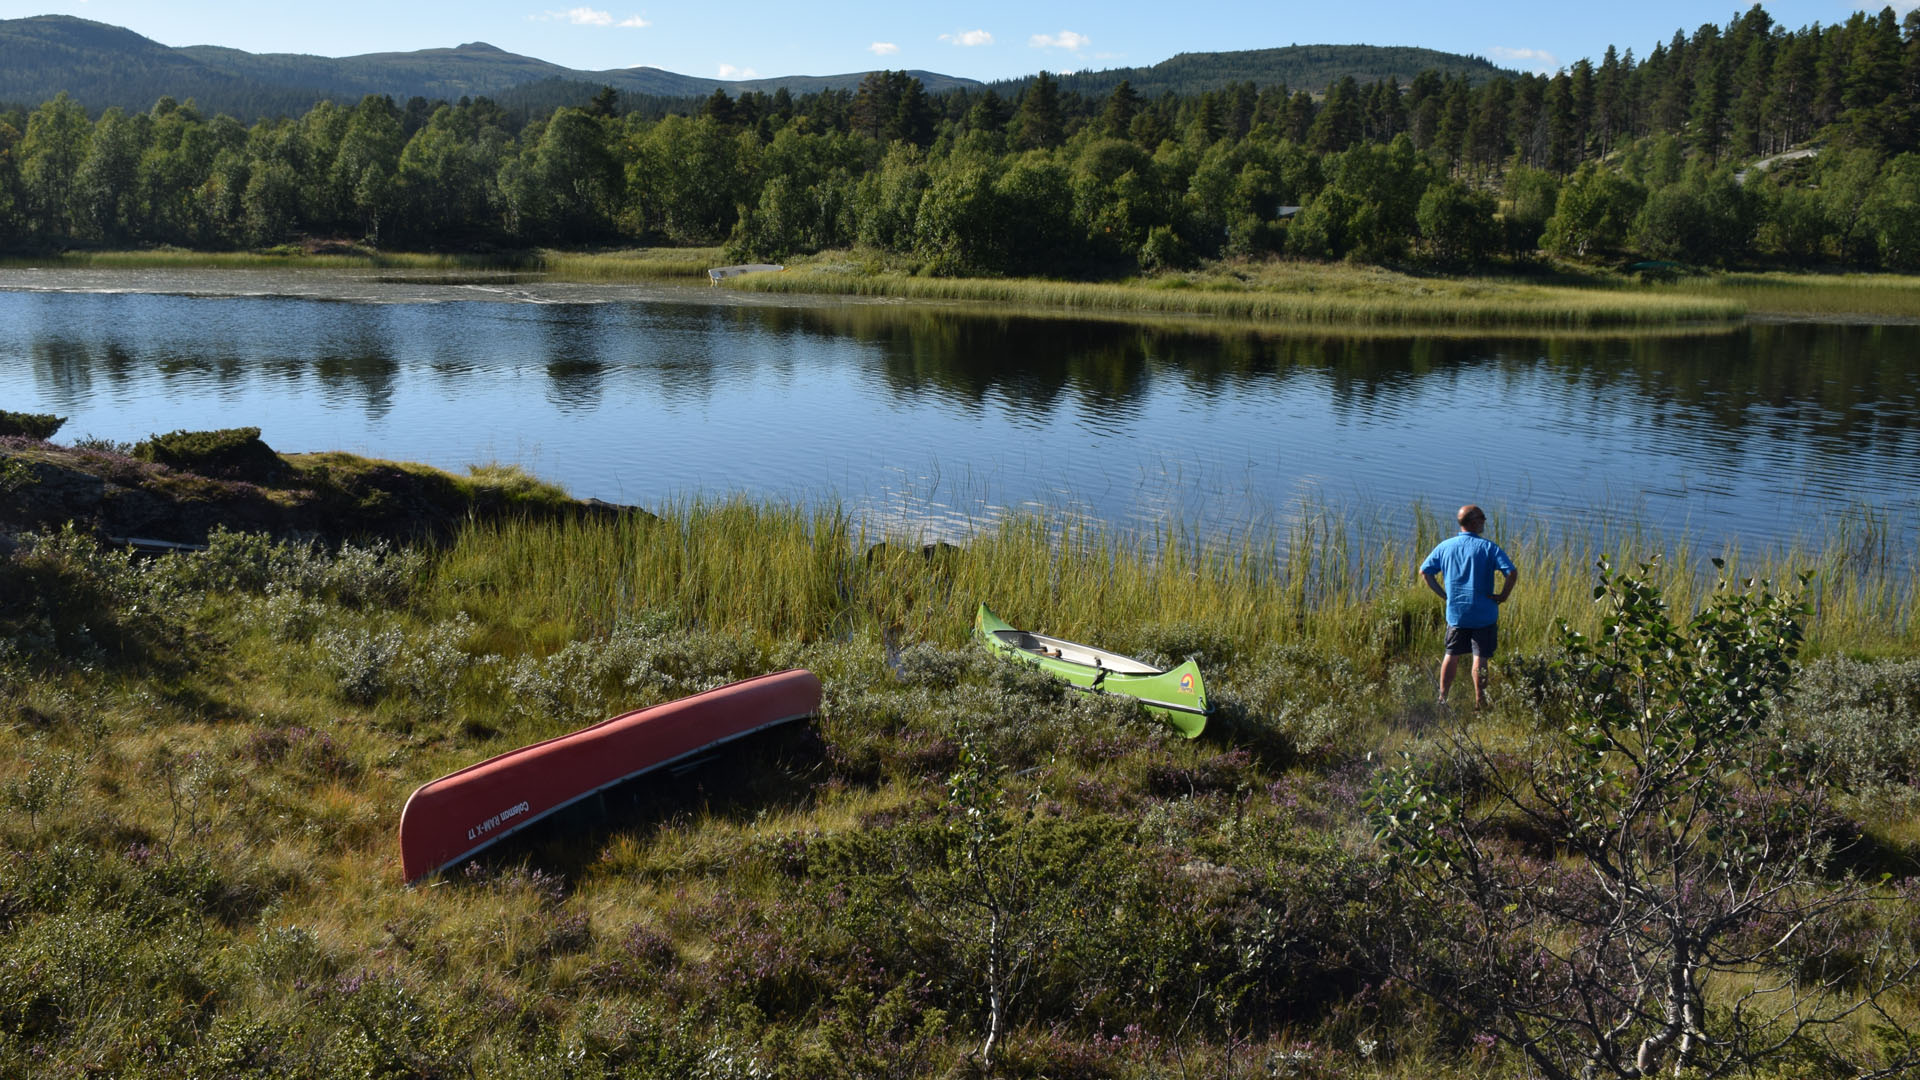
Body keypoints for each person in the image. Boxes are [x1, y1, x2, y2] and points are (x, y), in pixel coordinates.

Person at [1419, 504, 1517, 708]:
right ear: (1473, 522)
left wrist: (1444, 595)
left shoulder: (1445, 546)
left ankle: (1442, 698)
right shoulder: (1488, 548)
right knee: (1479, 658)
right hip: (1484, 614)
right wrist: (1503, 596)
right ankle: (1480, 701)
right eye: (1482, 517)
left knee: (1451, 654)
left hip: (1457, 614)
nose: (1484, 521)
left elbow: (1425, 572)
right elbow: (1512, 572)